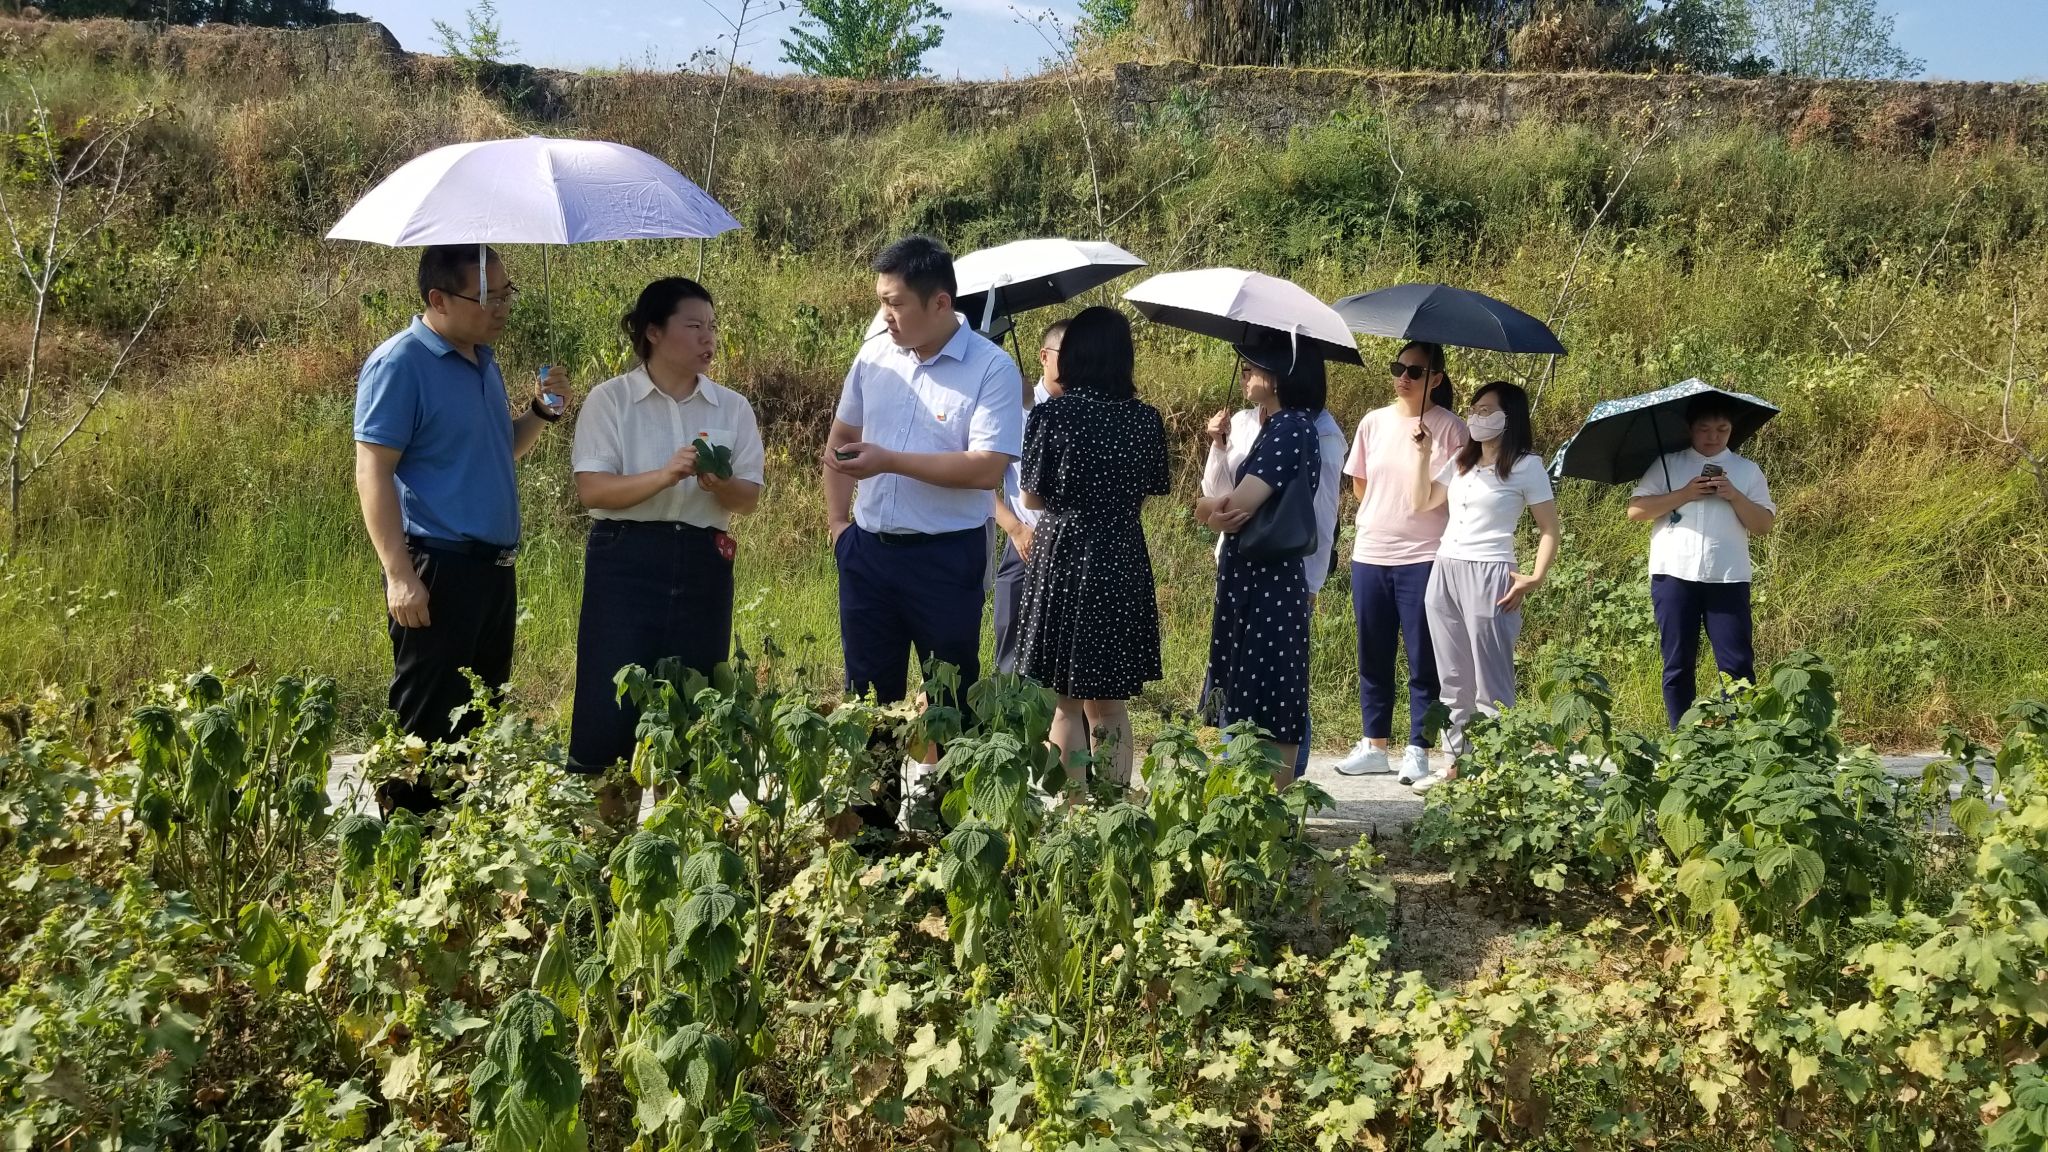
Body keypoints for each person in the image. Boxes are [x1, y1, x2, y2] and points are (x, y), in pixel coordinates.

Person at [352, 244, 570, 813]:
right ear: (438, 299)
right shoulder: (400, 364)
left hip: (492, 573)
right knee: (426, 731)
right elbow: (372, 471)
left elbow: (499, 448)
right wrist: (399, 574)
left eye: (506, 293)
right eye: (487, 296)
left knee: (478, 724)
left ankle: (461, 854)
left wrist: (539, 413)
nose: (501, 307)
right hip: (437, 568)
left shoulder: (482, 359)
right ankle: (408, 854)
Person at [824, 235, 1025, 829]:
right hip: (868, 552)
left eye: (896, 303)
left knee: (951, 696)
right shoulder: (874, 356)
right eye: (881, 301)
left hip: (945, 559)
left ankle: (953, 830)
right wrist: (838, 525)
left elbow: (986, 468)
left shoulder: (990, 368)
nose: (885, 315)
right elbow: (841, 439)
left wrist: (890, 460)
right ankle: (873, 829)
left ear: (940, 303)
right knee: (869, 698)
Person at [567, 278, 764, 817]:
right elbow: (594, 491)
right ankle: (606, 839)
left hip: (703, 560)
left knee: (694, 698)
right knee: (612, 700)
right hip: (625, 558)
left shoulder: (731, 407)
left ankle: (686, 835)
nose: (708, 338)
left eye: (712, 326)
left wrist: (719, 484)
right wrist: (665, 474)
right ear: (653, 332)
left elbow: (748, 498)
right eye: (694, 326)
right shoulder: (612, 400)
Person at [1015, 307, 1169, 791]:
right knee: (1111, 703)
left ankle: (1074, 808)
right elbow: (1147, 490)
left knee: (1065, 700)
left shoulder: (1051, 414)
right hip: (1121, 554)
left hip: (1065, 553)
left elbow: (1031, 498)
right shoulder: (1145, 420)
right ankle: (1114, 804)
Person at [1201, 353, 1347, 783]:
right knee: (1255, 685)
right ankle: (1253, 796)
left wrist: (1202, 508)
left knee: (1273, 689)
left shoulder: (1291, 427)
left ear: (1283, 374)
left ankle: (1270, 801)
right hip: (1255, 575)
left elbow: (1237, 506)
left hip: (1267, 578)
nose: (1245, 373)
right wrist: (1214, 507)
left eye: (1254, 366)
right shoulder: (1278, 425)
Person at [1409, 380, 1560, 790]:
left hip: (1492, 571)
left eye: (1486, 410)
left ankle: (1495, 768)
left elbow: (1549, 529)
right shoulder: (1462, 459)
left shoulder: (1527, 465)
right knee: (1453, 677)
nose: (1476, 416)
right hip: (1446, 568)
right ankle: (1454, 765)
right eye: (1474, 409)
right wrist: (1423, 454)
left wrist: (1535, 576)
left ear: (1509, 417)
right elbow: (1423, 501)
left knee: (1490, 681)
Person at [1334, 341, 1469, 784]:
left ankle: (1418, 747)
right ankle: (1374, 745)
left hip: (1425, 555)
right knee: (1372, 653)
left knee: (1423, 657)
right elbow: (1360, 485)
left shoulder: (1452, 429)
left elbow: (1455, 494)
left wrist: (1423, 455)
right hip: (1371, 553)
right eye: (1398, 368)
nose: (1404, 378)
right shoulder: (1373, 421)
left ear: (1436, 379)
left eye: (1415, 371)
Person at [1625, 395, 1777, 727]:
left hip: (1728, 576)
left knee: (1737, 664)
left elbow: (1763, 525)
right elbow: (1635, 511)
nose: (1713, 437)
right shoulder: (1668, 463)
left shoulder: (1746, 470)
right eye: (1704, 429)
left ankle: (1740, 737)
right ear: (1690, 429)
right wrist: (1685, 493)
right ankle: (1682, 737)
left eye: (1722, 429)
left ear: (1732, 429)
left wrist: (1733, 494)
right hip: (1673, 573)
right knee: (1678, 662)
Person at [992, 318, 1068, 675]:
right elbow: (982, 481)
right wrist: (1015, 529)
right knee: (1010, 639)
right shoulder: (1013, 407)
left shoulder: (1084, 414)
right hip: (1024, 541)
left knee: (1063, 651)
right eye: (1066, 355)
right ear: (1043, 356)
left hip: (1070, 546)